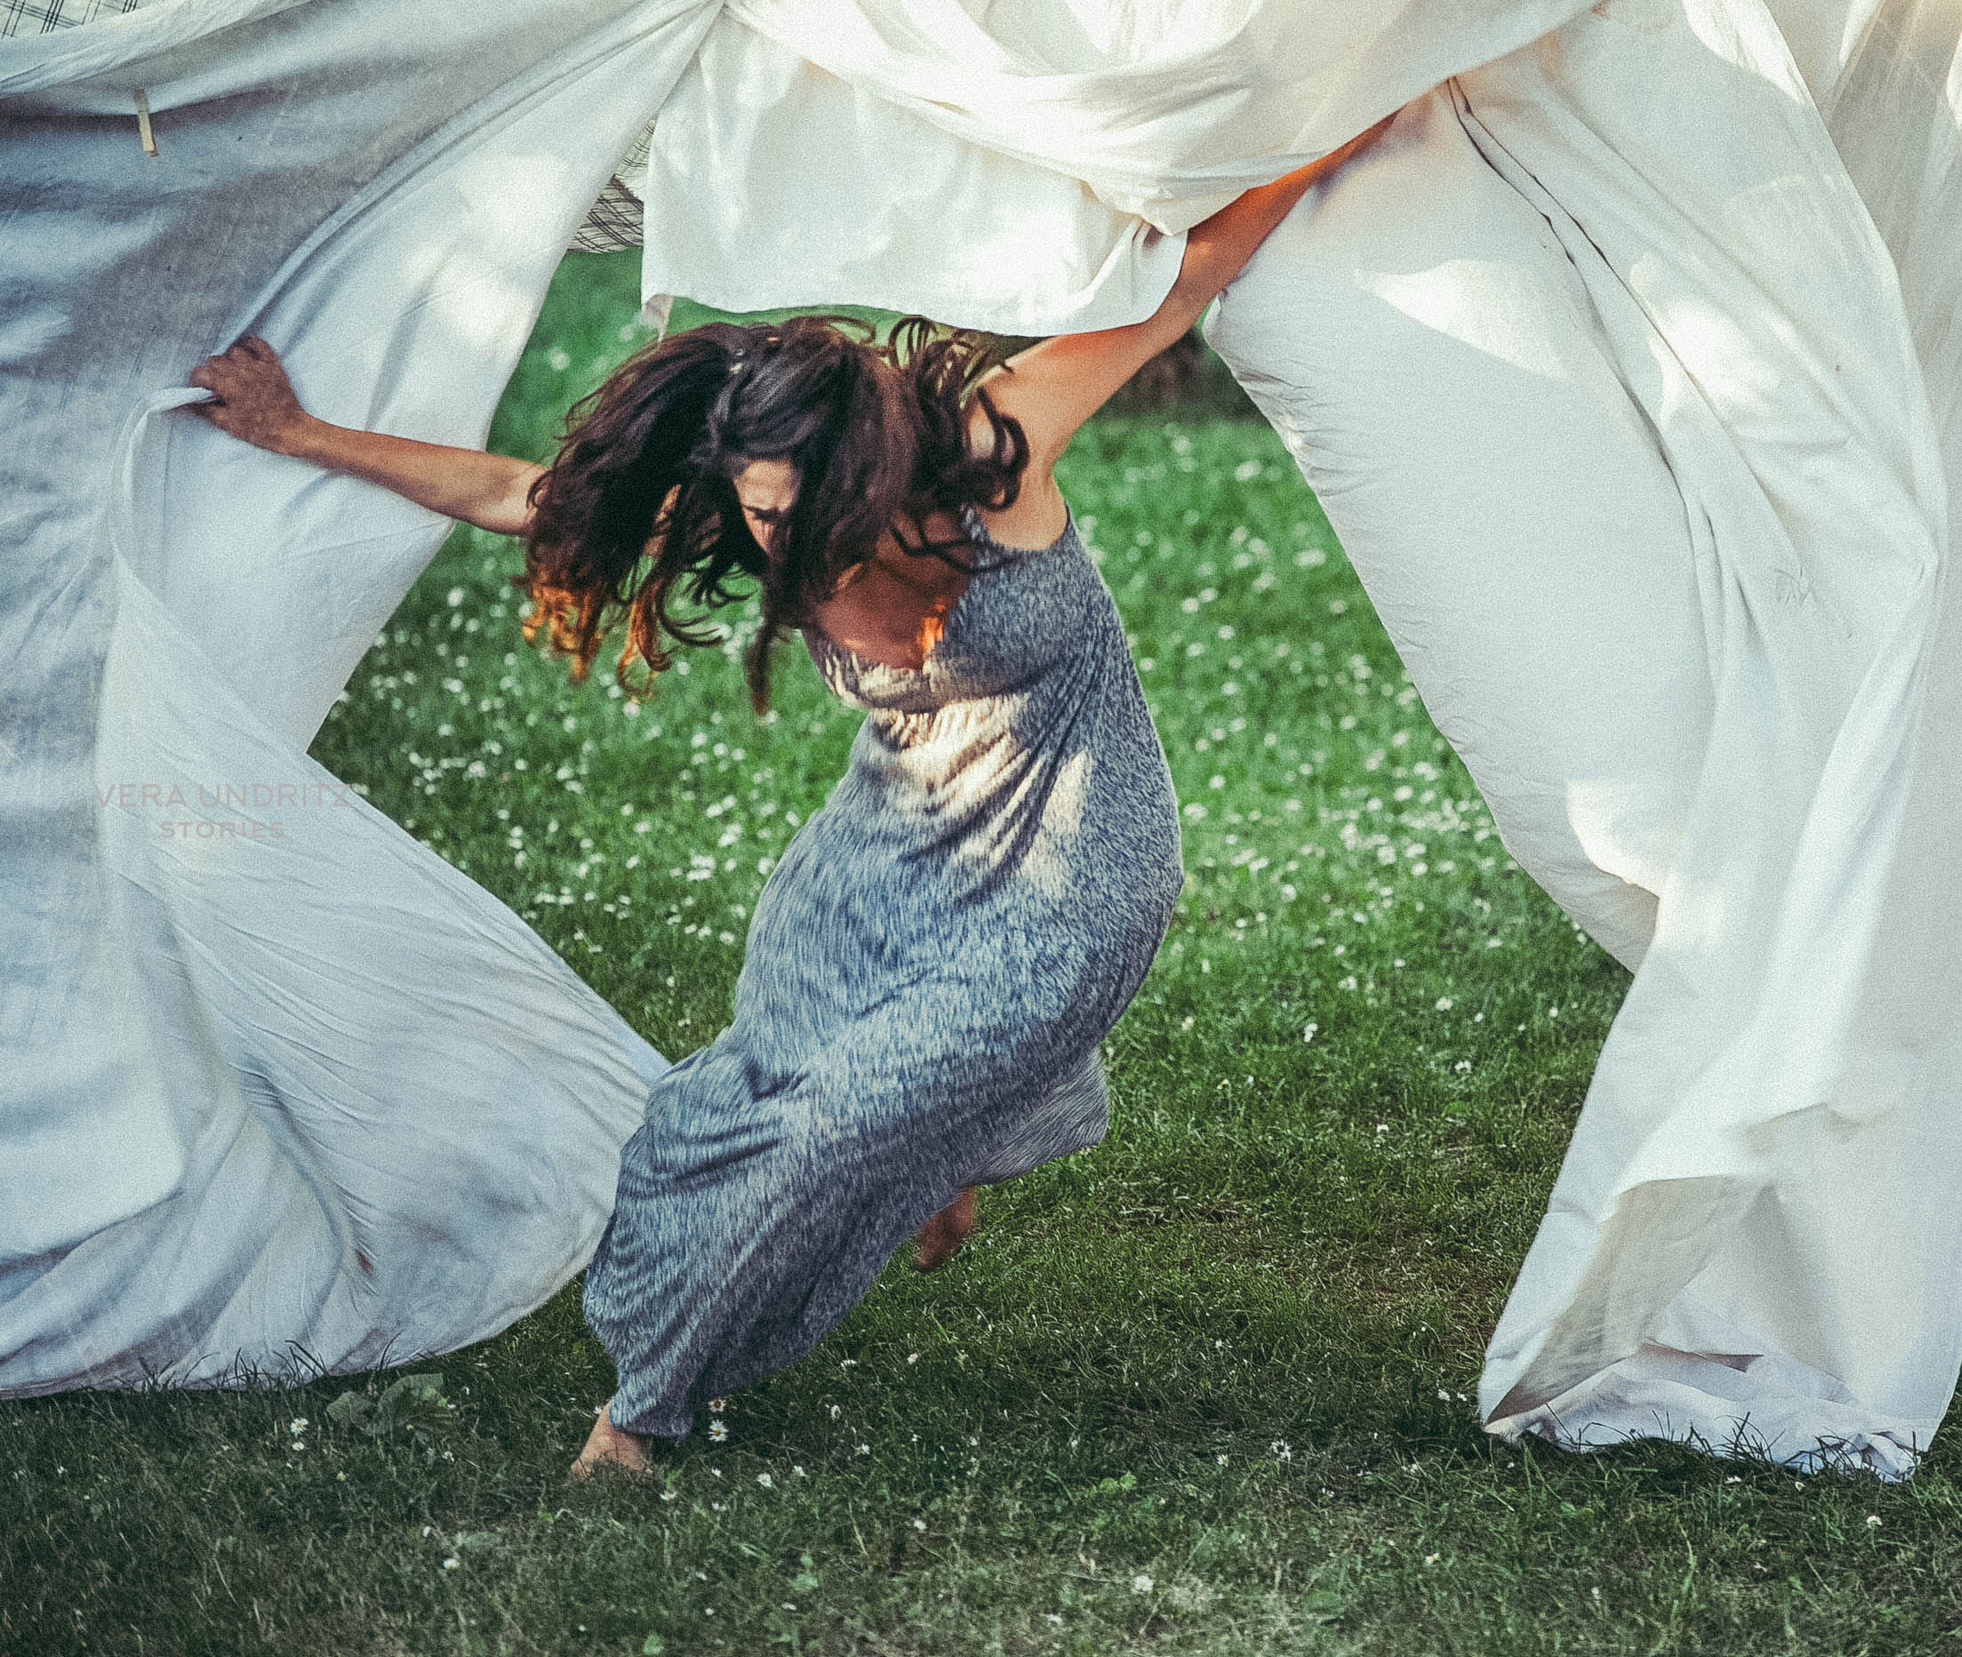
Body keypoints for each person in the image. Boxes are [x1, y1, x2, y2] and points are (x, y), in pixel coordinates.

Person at [185, 118, 1390, 1479]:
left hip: (1072, 868)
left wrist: (1331, 121)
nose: (776, 539)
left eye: (800, 509)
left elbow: (1180, 282)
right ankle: (931, 1159)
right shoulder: (743, 511)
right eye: (758, 513)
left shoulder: (992, 451)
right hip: (883, 857)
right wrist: (298, 431)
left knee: (831, 1128)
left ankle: (638, 1416)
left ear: (873, 463)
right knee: (756, 1097)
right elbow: (528, 494)